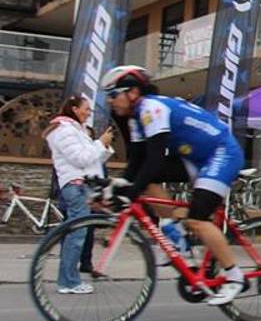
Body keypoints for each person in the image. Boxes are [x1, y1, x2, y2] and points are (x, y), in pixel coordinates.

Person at [101, 65, 247, 305]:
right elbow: (137, 159)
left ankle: (234, 276)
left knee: (197, 220)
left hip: (221, 153)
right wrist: (122, 183)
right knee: (147, 182)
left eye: (113, 94)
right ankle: (177, 237)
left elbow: (155, 158)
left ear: (133, 92)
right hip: (195, 157)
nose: (110, 101)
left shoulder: (152, 108)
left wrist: (129, 193)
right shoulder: (136, 117)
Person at [43, 95, 115, 294]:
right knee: (76, 235)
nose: (89, 112)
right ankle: (69, 282)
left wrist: (104, 145)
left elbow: (92, 160)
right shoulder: (64, 131)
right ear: (74, 109)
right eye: (86, 108)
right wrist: (99, 143)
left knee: (76, 233)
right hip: (76, 186)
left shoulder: (76, 130)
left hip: (82, 186)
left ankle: (68, 280)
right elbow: (81, 159)